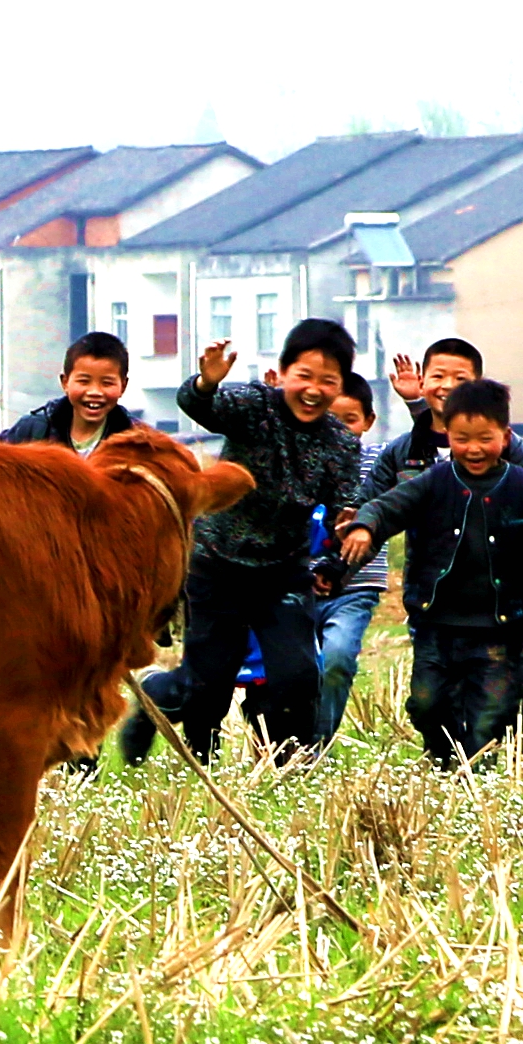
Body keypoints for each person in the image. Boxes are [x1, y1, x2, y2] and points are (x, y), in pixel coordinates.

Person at [126, 322, 361, 764]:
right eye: (304, 376)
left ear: (340, 386)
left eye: (327, 382)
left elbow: (343, 513)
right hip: (217, 566)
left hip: (283, 573)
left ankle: (291, 765)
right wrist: (206, 381)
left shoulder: (341, 444)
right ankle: (192, 749)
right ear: (283, 372)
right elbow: (201, 406)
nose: (313, 390)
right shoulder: (255, 406)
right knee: (209, 684)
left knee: (296, 676)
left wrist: (334, 563)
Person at [332, 378, 523, 764]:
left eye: (484, 438)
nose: (473, 449)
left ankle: (479, 775)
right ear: (448, 437)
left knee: (490, 714)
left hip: (498, 623)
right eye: (462, 438)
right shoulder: (434, 482)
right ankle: (444, 760)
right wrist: (365, 525)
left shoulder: (521, 486)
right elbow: (389, 505)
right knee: (427, 703)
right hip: (436, 621)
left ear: (505, 437)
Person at [322, 338, 486, 739]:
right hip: (430, 594)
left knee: (490, 689)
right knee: (429, 698)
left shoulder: (501, 446)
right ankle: (445, 757)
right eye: (438, 376)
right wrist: (356, 529)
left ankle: (484, 761)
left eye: (459, 378)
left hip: (492, 595)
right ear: (424, 381)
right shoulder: (402, 453)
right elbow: (376, 504)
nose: (447, 385)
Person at [0, 331, 147, 450]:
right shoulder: (34, 431)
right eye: (84, 381)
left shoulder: (138, 442)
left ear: (123, 386)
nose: (94, 392)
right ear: (65, 382)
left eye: (107, 383)